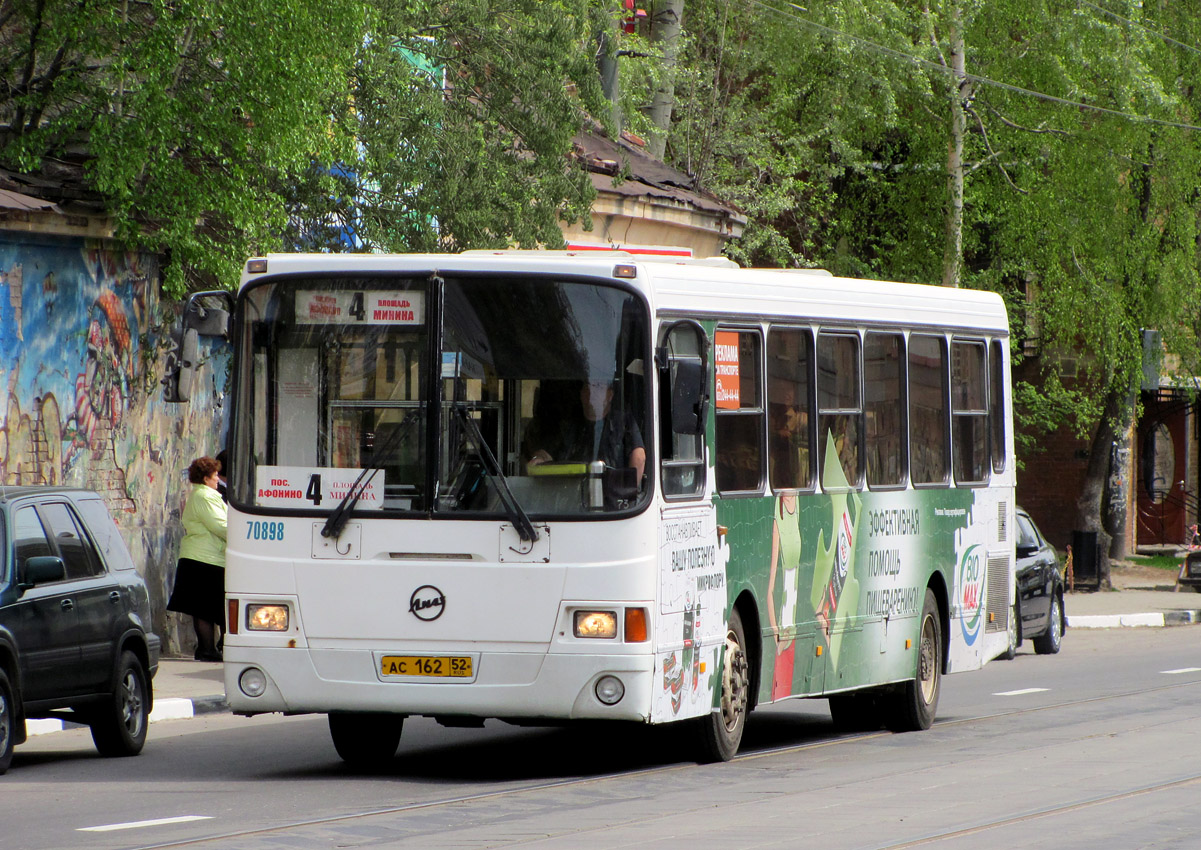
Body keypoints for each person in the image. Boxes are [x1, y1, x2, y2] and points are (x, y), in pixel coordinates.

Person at [167, 456, 228, 662]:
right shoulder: (205, 497)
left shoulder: (203, 495)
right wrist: (244, 536)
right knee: (207, 608)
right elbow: (220, 526)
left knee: (207, 607)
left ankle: (209, 648)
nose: (218, 479)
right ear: (205, 478)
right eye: (215, 475)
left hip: (203, 558)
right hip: (205, 559)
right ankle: (207, 649)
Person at [526, 379, 646, 481]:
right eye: (587, 386)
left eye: (598, 386)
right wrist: (538, 459)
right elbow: (546, 453)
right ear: (581, 394)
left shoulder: (623, 422)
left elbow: (639, 457)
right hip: (572, 499)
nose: (591, 392)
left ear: (610, 395)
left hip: (612, 501)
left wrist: (626, 494)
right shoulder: (569, 426)